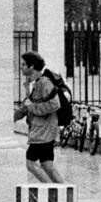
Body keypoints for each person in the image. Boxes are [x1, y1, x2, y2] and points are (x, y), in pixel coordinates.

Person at [15, 50, 65, 184]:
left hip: (43, 132)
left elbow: (55, 104)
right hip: (42, 131)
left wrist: (32, 107)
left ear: (32, 66)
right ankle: (63, 191)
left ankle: (50, 189)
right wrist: (10, 117)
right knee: (47, 165)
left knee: (29, 163)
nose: (21, 67)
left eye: (23, 64)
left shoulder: (44, 83)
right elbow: (27, 107)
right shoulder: (32, 84)